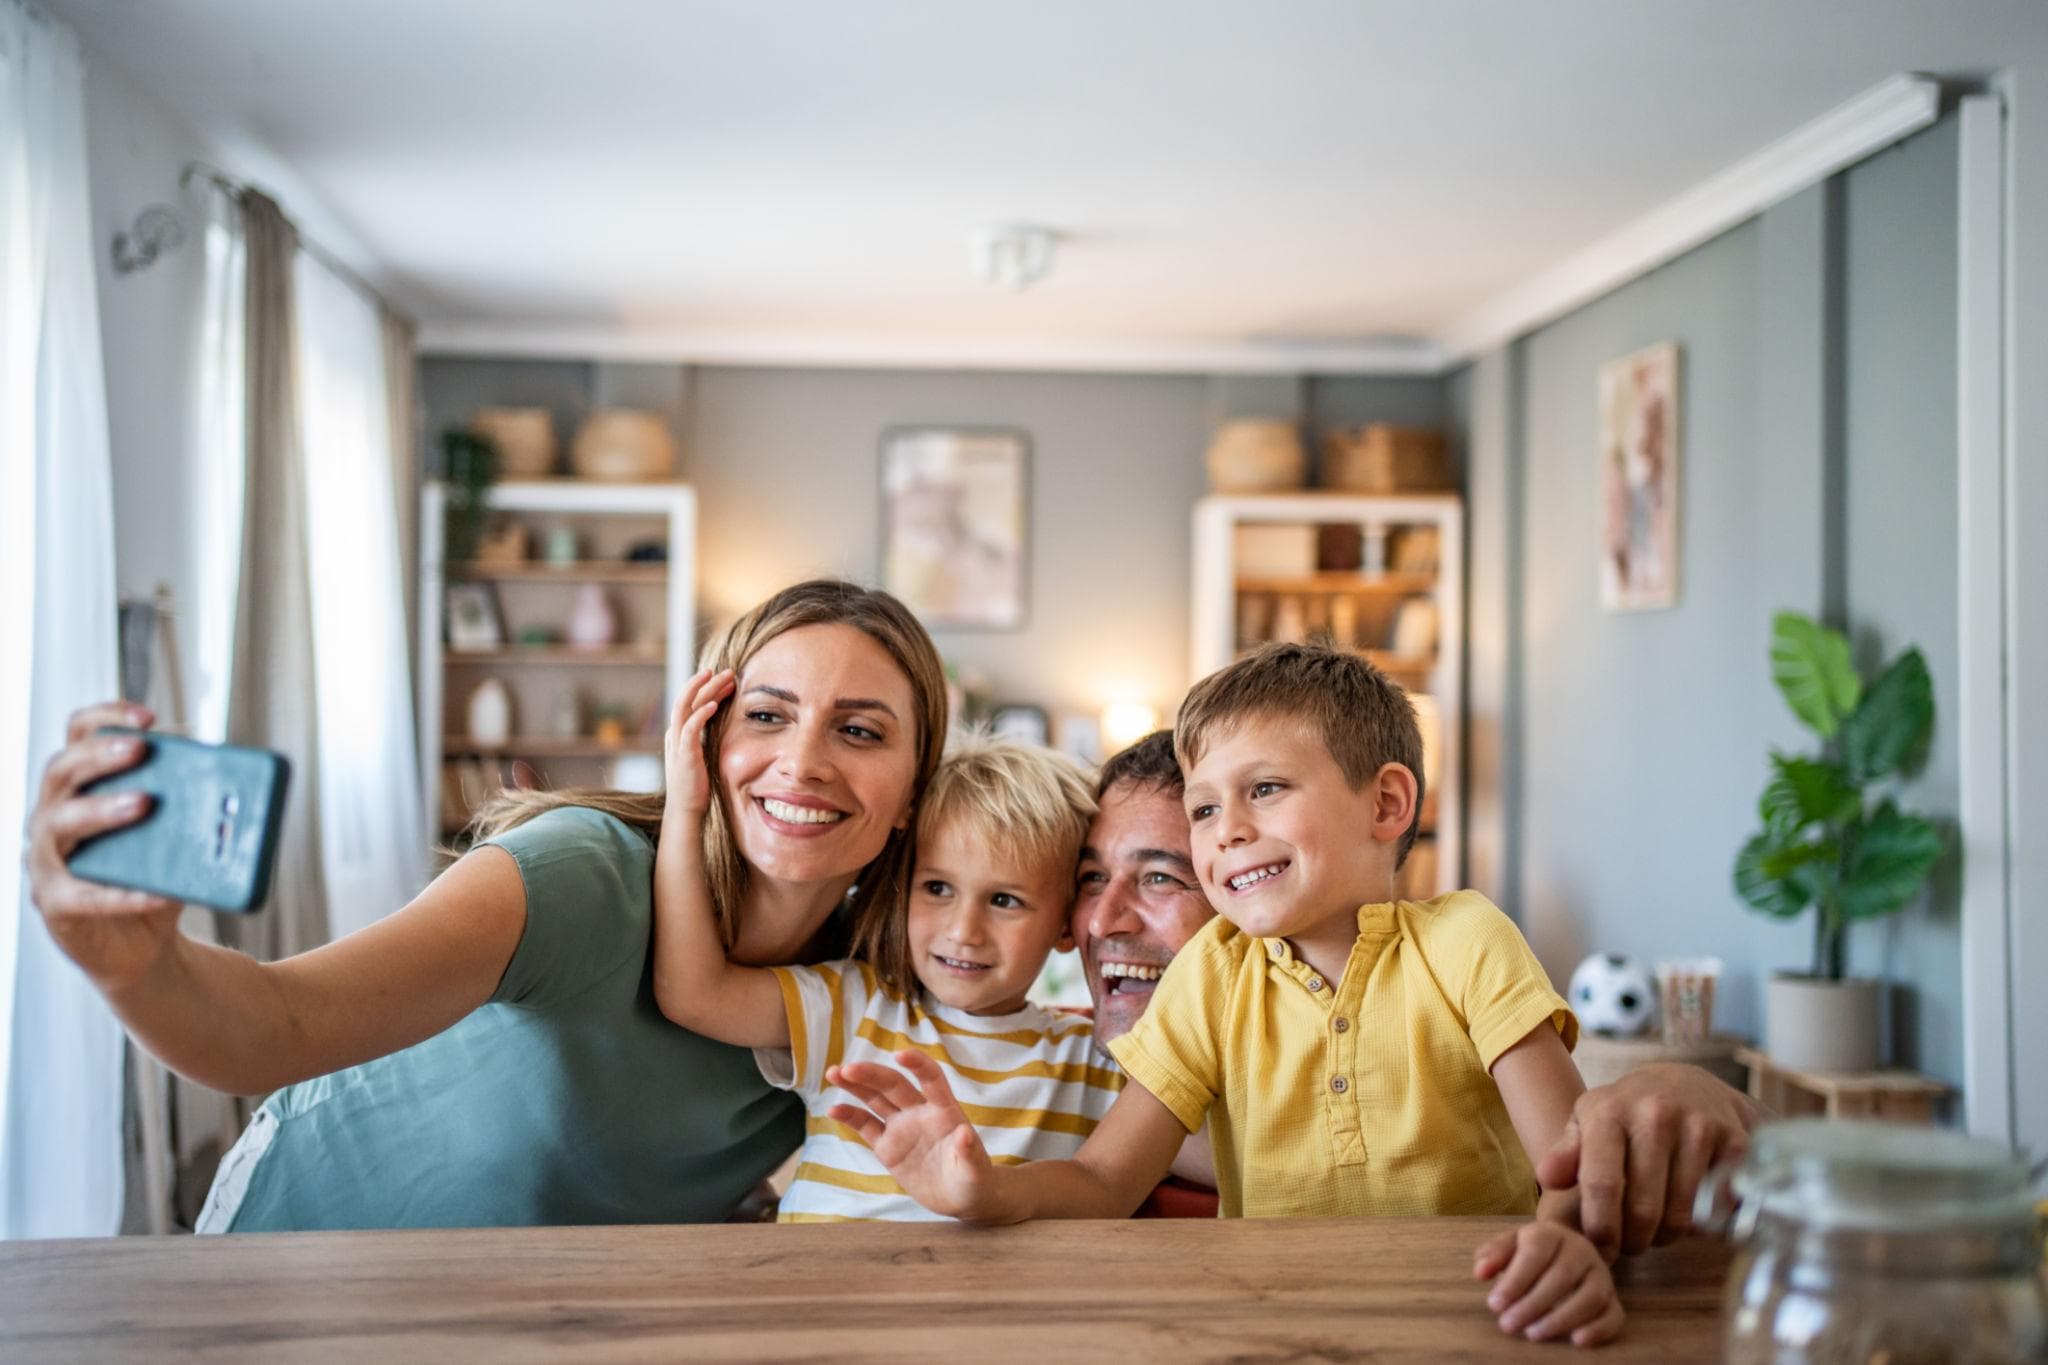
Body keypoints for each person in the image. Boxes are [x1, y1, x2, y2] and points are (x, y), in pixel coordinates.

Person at [23, 579, 948, 1230]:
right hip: (309, 1253)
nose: (803, 761)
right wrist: (141, 966)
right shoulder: (578, 873)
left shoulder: (865, 995)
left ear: (914, 790)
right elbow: (272, 1026)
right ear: (704, 737)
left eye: (859, 730)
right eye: (767, 714)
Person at [832, 644, 1623, 1345]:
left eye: (1265, 788)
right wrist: (988, 1190)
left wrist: (1569, 1240)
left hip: (1477, 1312)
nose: (1226, 830)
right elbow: (1105, 1179)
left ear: (1387, 803)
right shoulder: (1212, 973)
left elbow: (1569, 1155)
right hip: (1273, 1326)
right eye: (1204, 808)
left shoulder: (1468, 940)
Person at [1071, 729, 1763, 1256]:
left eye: (1161, 878)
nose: (1103, 920)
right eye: (1089, 879)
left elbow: (1589, 1169)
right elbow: (1100, 1176)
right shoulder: (1051, 1076)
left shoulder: (1453, 972)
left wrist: (1691, 1093)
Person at [651, 701, 1125, 1222]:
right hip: (823, 1273)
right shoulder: (852, 1006)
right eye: (938, 888)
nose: (963, 932)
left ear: (1066, 926)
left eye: (1004, 900)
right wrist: (685, 811)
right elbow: (694, 994)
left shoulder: (1092, 1059)